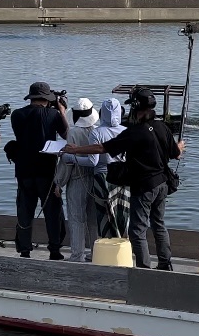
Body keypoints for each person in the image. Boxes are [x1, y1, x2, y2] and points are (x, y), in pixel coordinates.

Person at [62, 87, 184, 270]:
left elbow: (102, 148)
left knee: (137, 230)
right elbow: (176, 154)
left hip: (144, 187)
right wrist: (180, 145)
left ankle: (144, 269)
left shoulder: (134, 132)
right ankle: (165, 264)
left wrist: (74, 150)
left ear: (136, 108)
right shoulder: (162, 127)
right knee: (158, 224)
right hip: (162, 184)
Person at [9, 82, 69, 259]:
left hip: (24, 170)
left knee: (25, 211)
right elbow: (67, 134)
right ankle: (55, 250)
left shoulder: (16, 115)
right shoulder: (54, 114)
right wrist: (62, 112)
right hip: (47, 171)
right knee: (52, 212)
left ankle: (25, 250)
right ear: (47, 99)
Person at [54, 98, 100, 262]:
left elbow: (68, 162)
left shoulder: (73, 133)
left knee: (76, 219)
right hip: (95, 179)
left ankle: (77, 255)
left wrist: (59, 182)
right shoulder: (97, 130)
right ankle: (97, 253)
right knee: (93, 220)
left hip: (77, 179)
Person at [90, 98, 128, 238]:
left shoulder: (96, 133)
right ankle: (124, 245)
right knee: (123, 212)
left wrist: (70, 156)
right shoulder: (127, 131)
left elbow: (93, 162)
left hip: (102, 177)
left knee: (104, 213)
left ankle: (107, 246)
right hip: (123, 177)